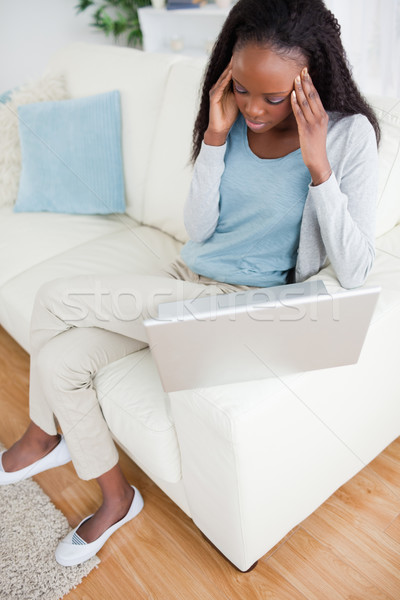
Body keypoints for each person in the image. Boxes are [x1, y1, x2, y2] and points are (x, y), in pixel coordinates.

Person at [0, 0, 379, 567]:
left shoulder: (349, 139)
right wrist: (215, 139)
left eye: (273, 98)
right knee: (59, 364)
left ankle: (41, 438)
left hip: (237, 304)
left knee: (55, 297)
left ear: (312, 82)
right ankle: (116, 499)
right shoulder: (229, 115)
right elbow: (198, 229)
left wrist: (318, 165)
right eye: (244, 88)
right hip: (184, 278)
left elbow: (355, 269)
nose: (253, 107)